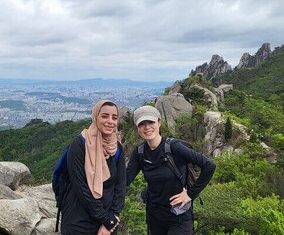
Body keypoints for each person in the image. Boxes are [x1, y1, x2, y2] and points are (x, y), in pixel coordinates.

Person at [126, 105, 216, 235]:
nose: (147, 127)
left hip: (179, 216)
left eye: (151, 122)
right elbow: (125, 179)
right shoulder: (140, 152)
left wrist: (190, 194)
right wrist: (112, 156)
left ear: (159, 123)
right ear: (137, 128)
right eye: (142, 124)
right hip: (155, 216)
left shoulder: (174, 147)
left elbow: (209, 165)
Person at [61, 100, 126, 235]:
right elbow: (81, 187)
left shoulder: (117, 148)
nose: (110, 121)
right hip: (78, 221)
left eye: (114, 118)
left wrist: (113, 216)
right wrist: (106, 219)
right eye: (104, 116)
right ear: (95, 117)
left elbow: (120, 185)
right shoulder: (79, 144)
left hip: (107, 222)